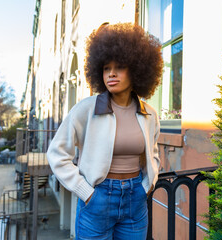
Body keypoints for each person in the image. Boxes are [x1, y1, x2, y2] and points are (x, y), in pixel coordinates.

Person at [47, 22, 163, 239]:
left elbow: (153, 154)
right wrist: (87, 193)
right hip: (97, 200)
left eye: (119, 67)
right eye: (106, 68)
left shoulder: (149, 114)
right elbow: (57, 154)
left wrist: (148, 184)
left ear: (137, 69)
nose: (111, 74)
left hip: (135, 200)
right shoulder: (86, 109)